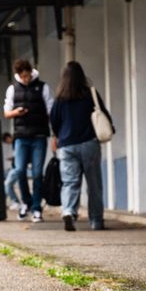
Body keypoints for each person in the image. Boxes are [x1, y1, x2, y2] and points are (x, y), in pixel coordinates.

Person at [48, 61, 111, 232]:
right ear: (81, 75)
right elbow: (103, 113)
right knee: (94, 184)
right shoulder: (90, 94)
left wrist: (58, 136)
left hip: (67, 146)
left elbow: (54, 121)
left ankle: (68, 211)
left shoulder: (60, 98)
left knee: (70, 182)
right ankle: (96, 221)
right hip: (89, 143)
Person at [3, 59, 54, 223]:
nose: (26, 79)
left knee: (38, 173)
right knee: (20, 171)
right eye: (23, 76)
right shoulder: (12, 89)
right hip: (21, 137)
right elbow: (6, 113)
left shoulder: (43, 87)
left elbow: (50, 110)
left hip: (39, 135)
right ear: (18, 75)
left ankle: (37, 208)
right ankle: (26, 202)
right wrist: (16, 112)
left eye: (28, 75)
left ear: (31, 72)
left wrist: (54, 133)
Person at [2, 132, 23, 212]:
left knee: (7, 184)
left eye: (6, 141)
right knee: (7, 185)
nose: (7, 143)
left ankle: (16, 202)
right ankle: (13, 202)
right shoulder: (15, 143)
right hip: (15, 167)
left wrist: (13, 158)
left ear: (8, 138)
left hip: (16, 168)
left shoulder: (16, 142)